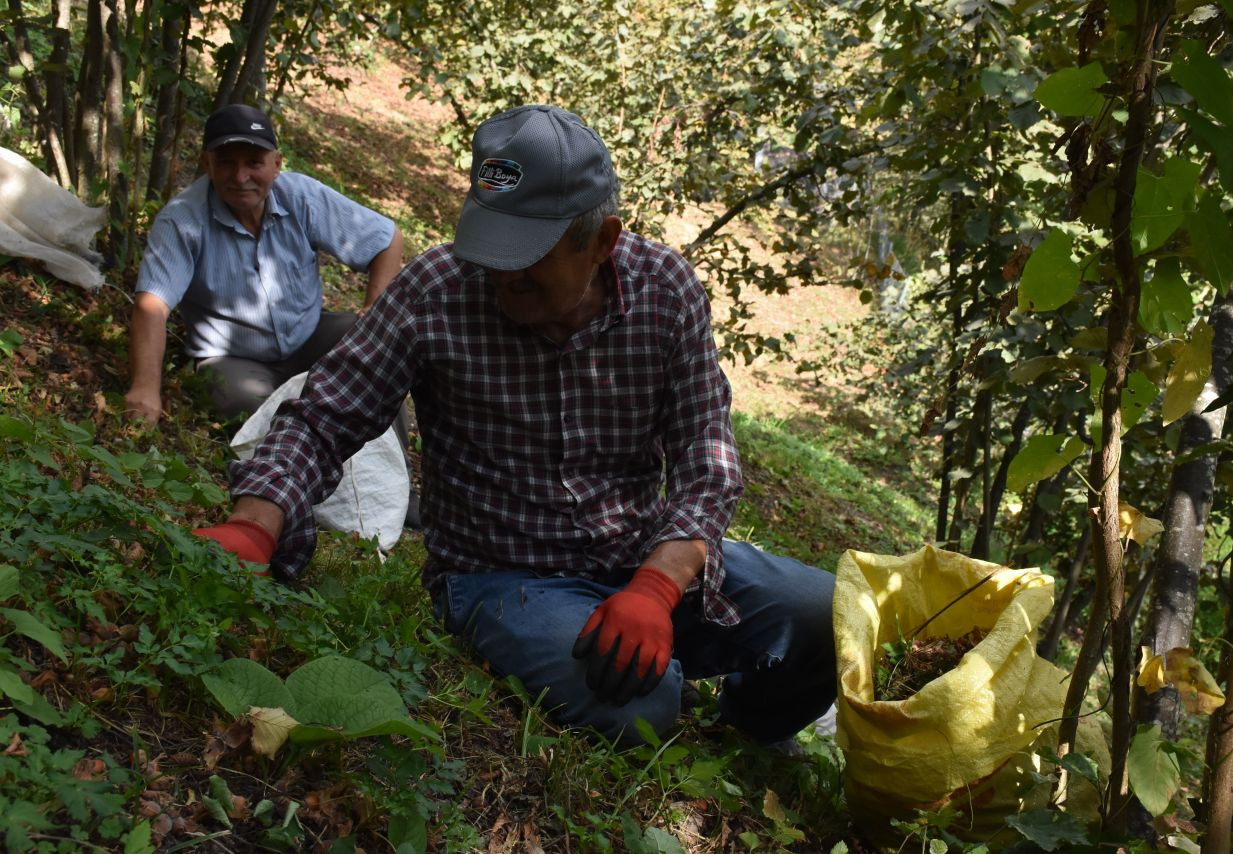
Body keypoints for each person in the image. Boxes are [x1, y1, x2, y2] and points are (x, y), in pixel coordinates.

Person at [196, 104, 835, 746]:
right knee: (638, 701)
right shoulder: (437, 291)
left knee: (829, 615)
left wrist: (657, 583)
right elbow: (327, 414)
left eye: (529, 257)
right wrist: (256, 522)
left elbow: (707, 462)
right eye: (492, 247)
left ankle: (751, 727)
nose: (504, 275)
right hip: (503, 575)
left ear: (603, 241)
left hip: (639, 553)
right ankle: (658, 677)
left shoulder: (664, 293)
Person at [124, 103, 405, 424]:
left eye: (254, 163)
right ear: (207, 164)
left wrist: (375, 308)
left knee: (380, 351)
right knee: (252, 408)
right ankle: (303, 458)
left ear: (276, 164)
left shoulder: (301, 196)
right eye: (226, 163)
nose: (241, 177)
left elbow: (386, 239)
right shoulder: (183, 220)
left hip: (310, 337)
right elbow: (151, 305)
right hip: (232, 359)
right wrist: (145, 387)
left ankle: (393, 468)